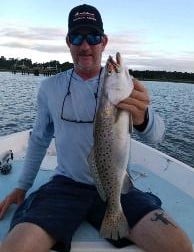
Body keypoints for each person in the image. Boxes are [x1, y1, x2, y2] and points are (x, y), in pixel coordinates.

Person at [0, 4, 192, 252]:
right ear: (69, 41)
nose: (85, 45)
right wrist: (21, 186)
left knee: (180, 246)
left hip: (117, 184)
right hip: (66, 185)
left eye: (92, 37)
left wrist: (142, 117)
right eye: (78, 37)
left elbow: (157, 136)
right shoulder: (50, 87)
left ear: (104, 41)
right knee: (14, 248)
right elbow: (38, 139)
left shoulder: (126, 86)